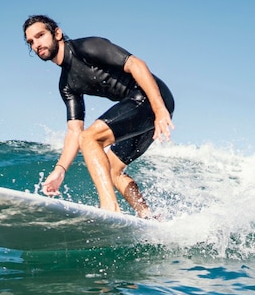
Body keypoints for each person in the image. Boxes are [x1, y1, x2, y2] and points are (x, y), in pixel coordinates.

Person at [22, 14, 175, 218]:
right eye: (31, 42)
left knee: (90, 137)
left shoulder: (87, 47)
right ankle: (147, 215)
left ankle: (109, 208)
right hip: (139, 109)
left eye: (40, 35)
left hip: (151, 96)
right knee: (111, 169)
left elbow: (136, 64)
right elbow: (74, 131)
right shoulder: (67, 85)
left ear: (56, 33)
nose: (36, 44)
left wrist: (159, 109)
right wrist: (60, 170)